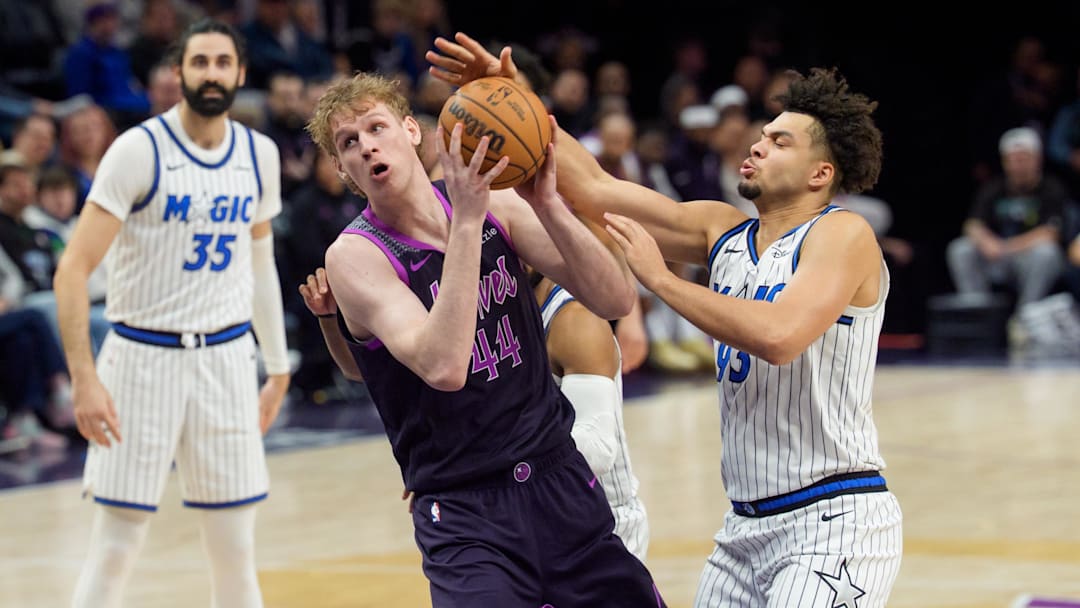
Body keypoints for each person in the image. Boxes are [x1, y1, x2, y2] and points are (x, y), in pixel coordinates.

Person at [429, 35, 902, 607]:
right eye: (760, 135)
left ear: (820, 173)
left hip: (834, 518)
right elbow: (596, 189)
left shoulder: (843, 234)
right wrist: (514, 99)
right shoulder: (720, 228)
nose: (757, 145)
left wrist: (664, 280)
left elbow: (780, 336)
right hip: (745, 529)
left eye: (779, 142)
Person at [304, 71, 664, 606]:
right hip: (466, 514)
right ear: (341, 169)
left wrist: (547, 204)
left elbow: (615, 300)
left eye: (376, 128)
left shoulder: (495, 203)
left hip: (558, 479)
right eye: (348, 144)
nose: (366, 147)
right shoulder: (356, 256)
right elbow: (444, 367)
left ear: (411, 130)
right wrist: (468, 224)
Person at [53, 18, 291, 608]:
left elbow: (259, 264)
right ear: (177, 73)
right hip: (140, 359)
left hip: (227, 360)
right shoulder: (138, 150)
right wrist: (84, 377)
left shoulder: (259, 154)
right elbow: (72, 269)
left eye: (222, 63)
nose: (211, 73)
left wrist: (278, 365)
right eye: (199, 62)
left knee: (235, 549)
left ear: (241, 73)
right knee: (116, 546)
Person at [298, 265, 652, 561]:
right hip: (511, 516)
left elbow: (597, 451)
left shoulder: (575, 321)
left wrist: (467, 470)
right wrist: (329, 319)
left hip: (598, 521)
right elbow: (366, 371)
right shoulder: (478, 314)